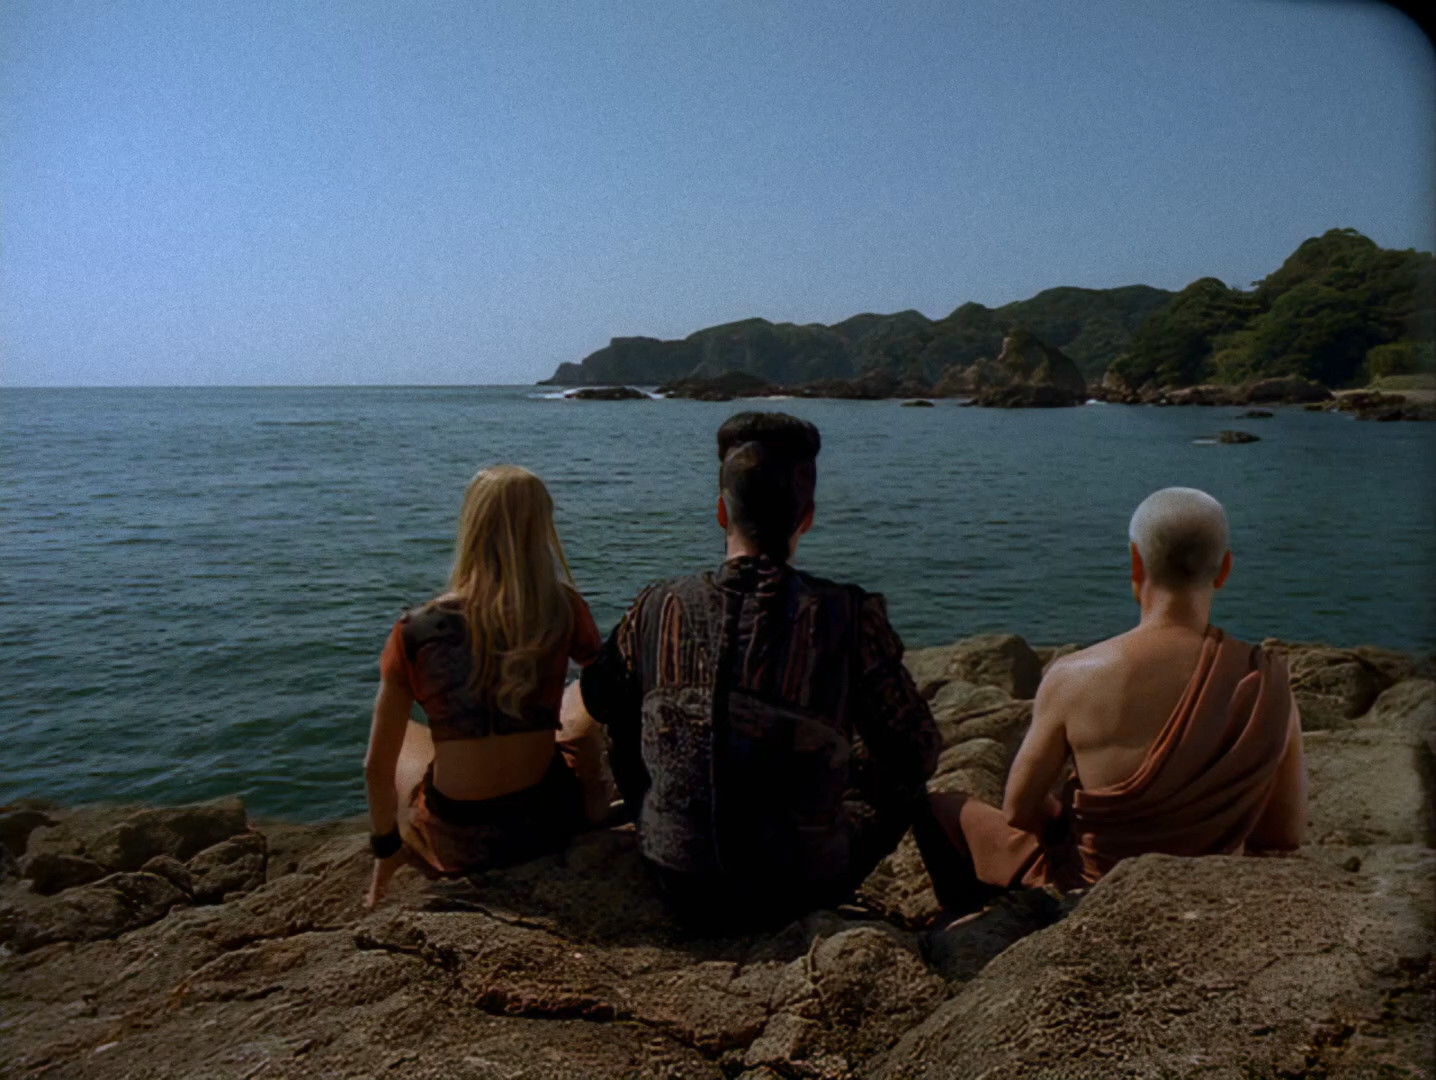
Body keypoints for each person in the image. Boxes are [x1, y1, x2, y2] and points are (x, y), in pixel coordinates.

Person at [575, 411, 942, 930]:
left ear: (721, 511)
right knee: (901, 778)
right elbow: (916, 752)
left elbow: (597, 697)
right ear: (806, 517)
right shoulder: (847, 614)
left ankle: (665, 824)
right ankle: (960, 911)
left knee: (624, 710)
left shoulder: (656, 606)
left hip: (676, 876)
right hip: (799, 887)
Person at [914, 486, 1307, 914]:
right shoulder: (1269, 680)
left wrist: (1068, 826)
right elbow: (1283, 834)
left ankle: (973, 923)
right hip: (1208, 890)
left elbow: (1019, 809)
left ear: (1136, 561)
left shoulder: (1074, 675)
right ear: (1225, 569)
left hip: (1094, 889)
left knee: (940, 807)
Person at [363, 465, 608, 909]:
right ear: (541, 528)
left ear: (471, 526)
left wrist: (385, 848)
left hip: (459, 840)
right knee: (579, 696)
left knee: (407, 739)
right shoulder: (564, 607)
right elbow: (609, 690)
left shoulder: (415, 631)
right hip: (546, 821)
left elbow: (374, 768)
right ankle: (594, 795)